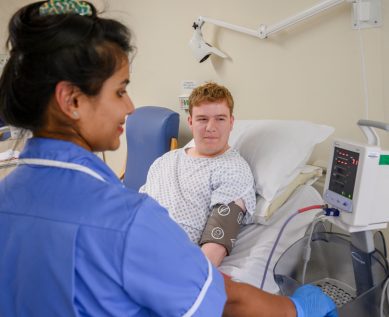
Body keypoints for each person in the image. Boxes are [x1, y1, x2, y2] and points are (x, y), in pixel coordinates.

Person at [0, 1, 337, 316]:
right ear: (71, 100)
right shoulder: (144, 195)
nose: (130, 107)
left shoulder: (7, 195)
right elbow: (222, 301)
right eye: (120, 91)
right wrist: (299, 309)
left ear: (232, 123)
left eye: (220, 119)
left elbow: (212, 256)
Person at [140, 82, 257, 267]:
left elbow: (215, 247)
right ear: (191, 122)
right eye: (202, 119)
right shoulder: (164, 161)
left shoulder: (233, 171)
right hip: (130, 249)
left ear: (231, 122)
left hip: (167, 265)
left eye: (220, 119)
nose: (211, 127)